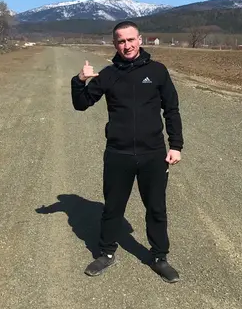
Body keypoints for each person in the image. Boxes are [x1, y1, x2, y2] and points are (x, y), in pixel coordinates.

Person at [71, 21, 183, 283]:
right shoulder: (108, 75)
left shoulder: (157, 71)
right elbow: (81, 104)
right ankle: (106, 253)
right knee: (113, 207)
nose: (127, 45)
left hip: (152, 154)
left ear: (140, 40)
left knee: (156, 208)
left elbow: (171, 109)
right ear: (114, 44)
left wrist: (176, 145)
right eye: (121, 41)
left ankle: (159, 257)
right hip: (118, 154)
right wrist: (79, 80)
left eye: (131, 40)